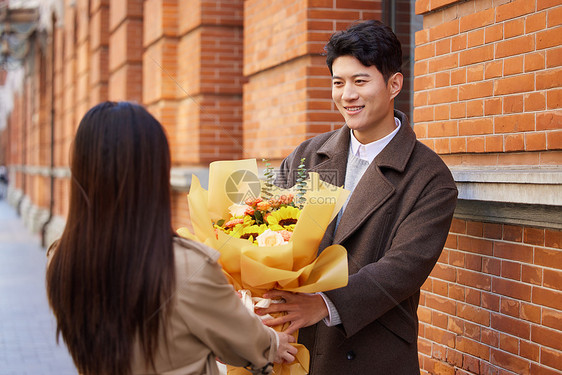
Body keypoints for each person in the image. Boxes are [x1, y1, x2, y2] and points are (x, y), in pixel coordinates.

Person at [256, 20, 458, 374]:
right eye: (338, 82)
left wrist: (324, 303)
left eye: (360, 81)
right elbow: (264, 231)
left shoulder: (429, 176)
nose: (347, 95)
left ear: (394, 84)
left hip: (371, 350)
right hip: (295, 341)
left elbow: (404, 267)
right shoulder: (308, 155)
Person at [45, 101, 297, 375]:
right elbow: (241, 343)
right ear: (153, 173)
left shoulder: (60, 260)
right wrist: (272, 342)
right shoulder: (184, 267)